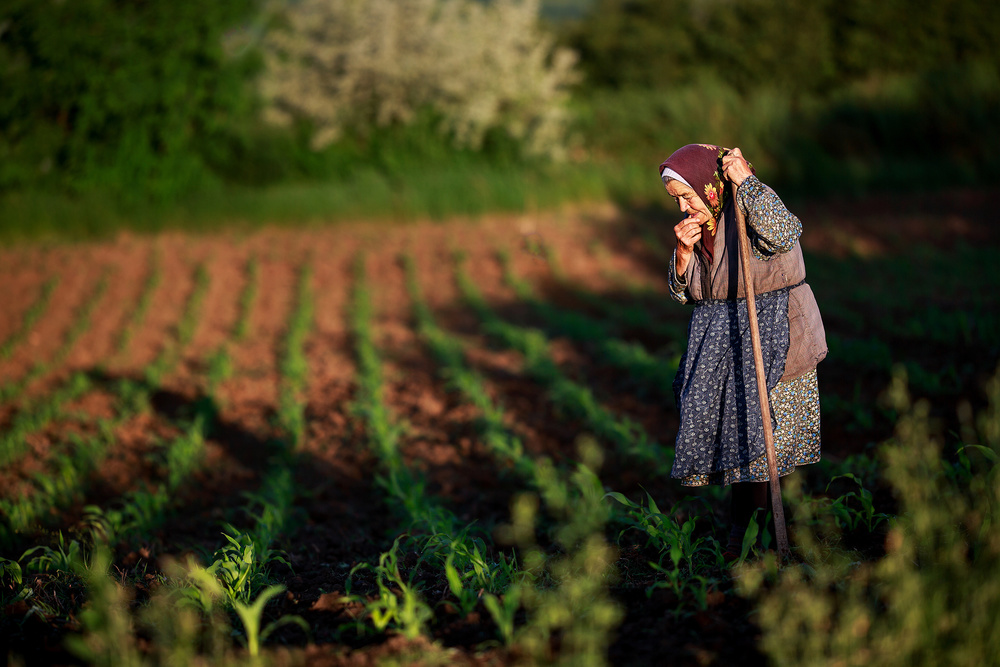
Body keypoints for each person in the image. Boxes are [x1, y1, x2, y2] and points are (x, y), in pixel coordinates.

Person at [658, 143, 827, 556]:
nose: (682, 208)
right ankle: (747, 534)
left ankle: (760, 538)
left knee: (766, 444)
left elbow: (784, 234)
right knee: (739, 444)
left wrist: (747, 182)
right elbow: (689, 294)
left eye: (686, 196)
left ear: (709, 185)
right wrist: (682, 255)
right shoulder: (704, 231)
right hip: (726, 346)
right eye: (676, 200)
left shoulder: (751, 202)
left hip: (777, 337)